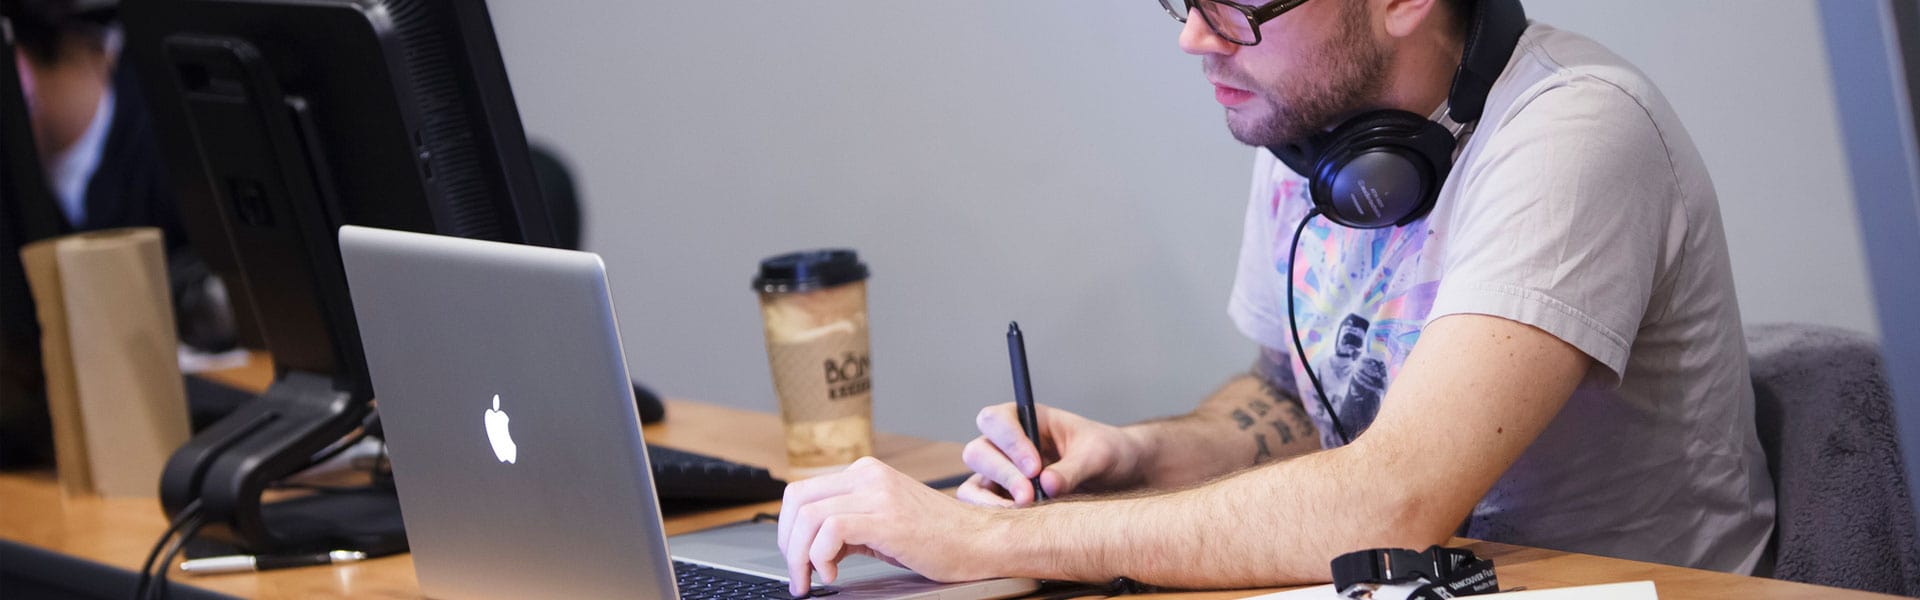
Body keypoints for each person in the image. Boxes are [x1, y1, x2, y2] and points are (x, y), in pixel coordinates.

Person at [776, 0, 1776, 593]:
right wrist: (1136, 453)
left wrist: (987, 538)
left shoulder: (1575, 134)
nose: (1196, 37)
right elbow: (1299, 402)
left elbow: (1390, 500)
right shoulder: (1311, 134)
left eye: (1241, 1)